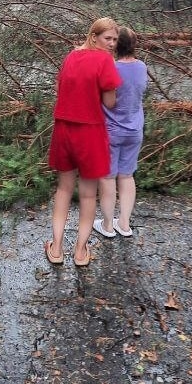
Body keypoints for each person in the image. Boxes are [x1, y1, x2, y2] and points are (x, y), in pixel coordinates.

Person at [45, 17, 121, 267]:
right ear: (93, 36)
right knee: (88, 195)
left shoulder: (71, 56)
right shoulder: (105, 61)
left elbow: (61, 87)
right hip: (89, 131)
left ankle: (56, 249)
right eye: (107, 38)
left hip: (64, 128)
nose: (111, 44)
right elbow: (110, 102)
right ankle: (79, 252)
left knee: (64, 189)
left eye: (115, 40)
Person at [93, 26, 148, 239]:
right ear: (134, 45)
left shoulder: (111, 68)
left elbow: (103, 98)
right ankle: (124, 224)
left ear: (116, 44)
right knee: (127, 176)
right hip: (135, 130)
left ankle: (107, 225)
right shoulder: (142, 67)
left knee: (107, 178)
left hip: (110, 131)